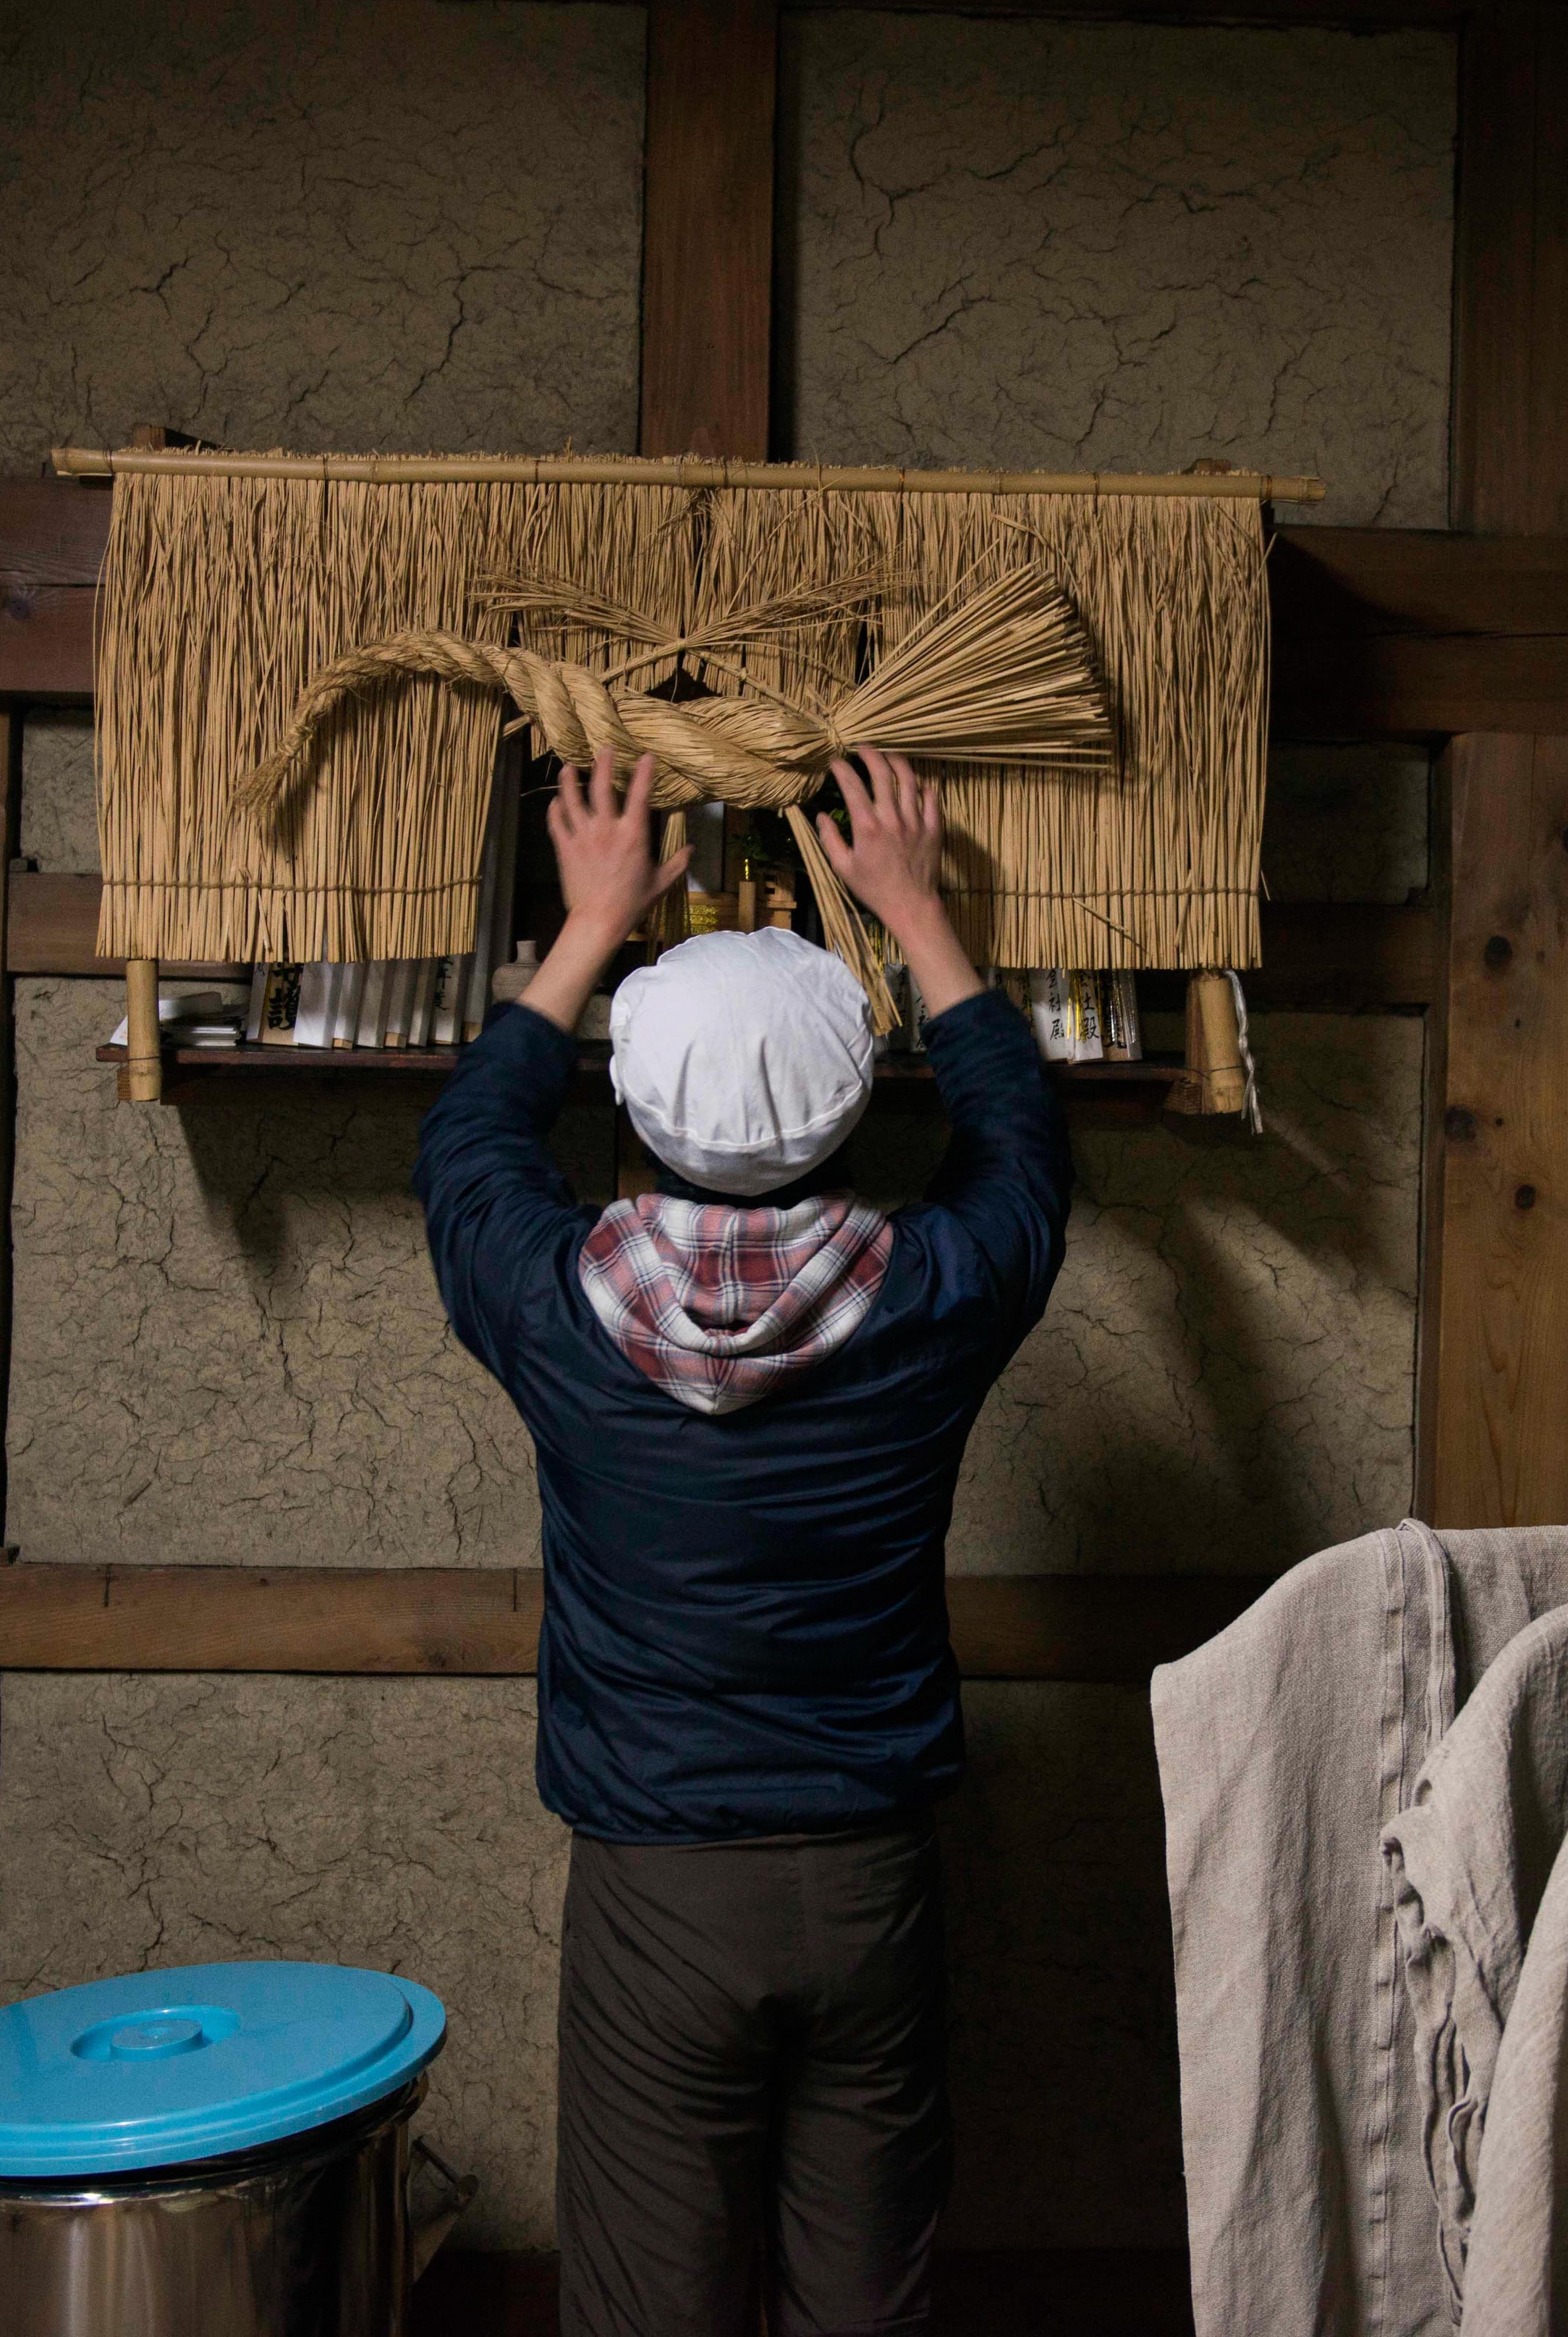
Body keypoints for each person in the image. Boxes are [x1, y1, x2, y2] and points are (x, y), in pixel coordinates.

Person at [414, 744, 1074, 2337]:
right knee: (869, 2305)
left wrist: (585, 926)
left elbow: (467, 1148)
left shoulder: (555, 1306)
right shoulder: (936, 1293)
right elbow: (1024, 1151)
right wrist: (915, 910)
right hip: (870, 1879)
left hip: (657, 1887)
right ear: (858, 1100)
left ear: (631, 1101)